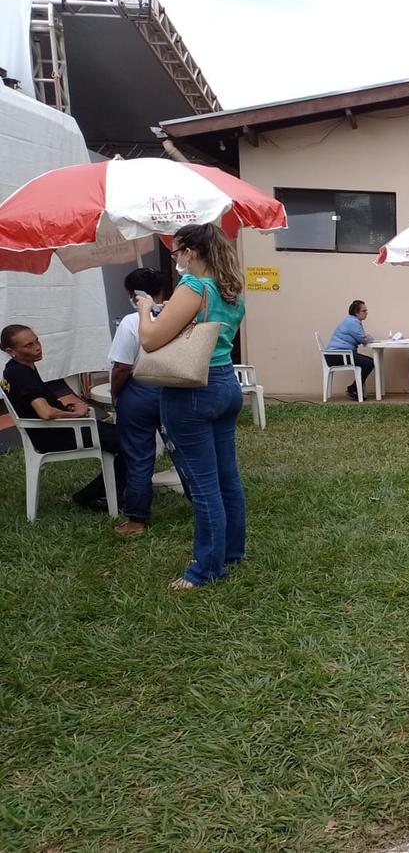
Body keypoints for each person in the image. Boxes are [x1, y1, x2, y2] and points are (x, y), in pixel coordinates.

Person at [137, 223, 246, 589]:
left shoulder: (193, 285)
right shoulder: (230, 289)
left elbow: (151, 340)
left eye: (177, 251)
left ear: (192, 251)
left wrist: (145, 310)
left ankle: (206, 569)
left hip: (190, 389)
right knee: (226, 478)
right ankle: (231, 551)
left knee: (202, 485)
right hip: (225, 383)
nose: (176, 258)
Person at [1, 324, 126, 512]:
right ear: (12, 351)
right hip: (56, 436)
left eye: (37, 341)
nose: (37, 347)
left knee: (128, 437)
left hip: (54, 431)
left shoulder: (14, 368)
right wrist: (75, 414)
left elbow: (40, 405)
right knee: (132, 441)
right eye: (28, 345)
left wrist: (67, 407)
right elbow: (46, 413)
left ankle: (100, 493)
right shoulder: (22, 374)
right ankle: (98, 496)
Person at [109, 268, 174, 537]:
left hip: (139, 391)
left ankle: (136, 519)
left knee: (138, 456)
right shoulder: (177, 315)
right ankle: (204, 505)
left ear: (133, 295)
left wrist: (116, 394)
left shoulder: (131, 322)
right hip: (174, 389)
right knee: (186, 453)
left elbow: (122, 367)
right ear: (162, 290)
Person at [326, 300, 374, 399]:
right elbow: (363, 339)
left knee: (370, 362)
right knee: (369, 363)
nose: (366, 313)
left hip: (339, 354)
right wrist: (368, 337)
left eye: (366, 310)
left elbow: (362, 338)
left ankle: (354, 389)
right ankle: (353, 389)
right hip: (337, 355)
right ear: (356, 312)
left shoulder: (352, 321)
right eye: (364, 311)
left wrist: (366, 337)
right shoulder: (352, 322)